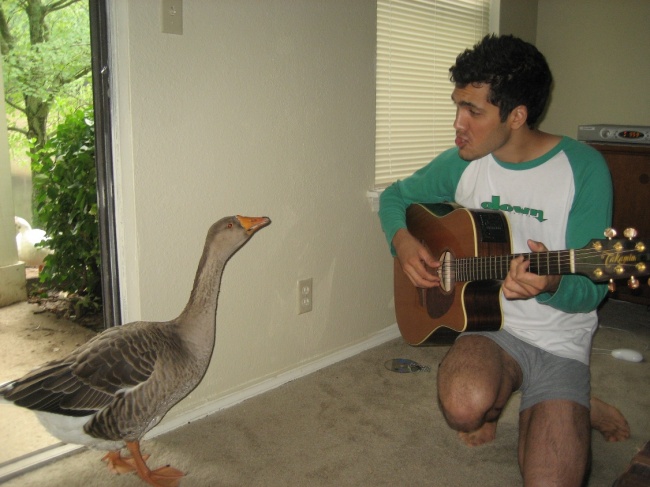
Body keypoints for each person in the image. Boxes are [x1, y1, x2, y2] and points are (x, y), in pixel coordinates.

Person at [378, 34, 630, 486]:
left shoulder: (583, 169)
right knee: (463, 407)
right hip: (488, 327)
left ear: (516, 116)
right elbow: (395, 197)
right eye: (457, 106)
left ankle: (577, 402)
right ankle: (493, 405)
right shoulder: (462, 162)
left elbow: (590, 291)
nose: (457, 123)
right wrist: (403, 241)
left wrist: (551, 283)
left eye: (473, 111)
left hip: (559, 340)